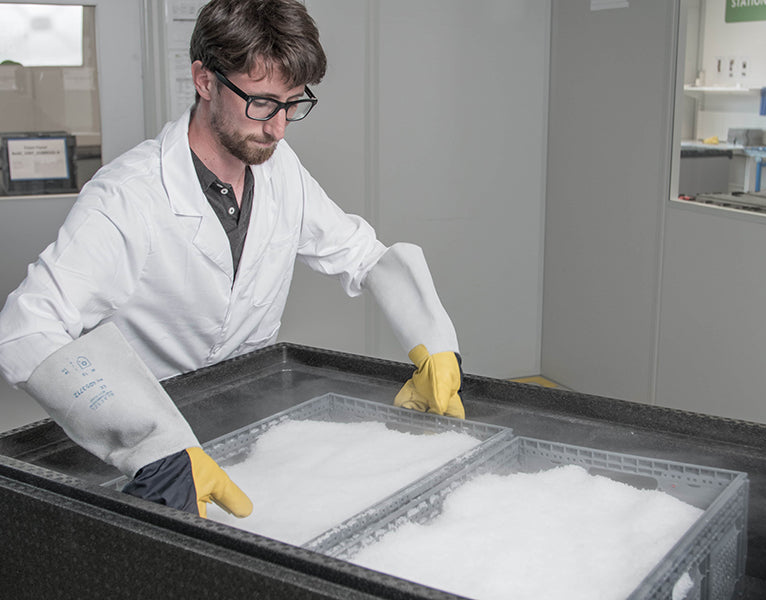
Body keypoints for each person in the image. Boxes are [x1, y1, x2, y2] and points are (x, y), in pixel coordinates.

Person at [0, 0, 463, 519]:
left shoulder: (280, 170)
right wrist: (153, 447)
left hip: (255, 425)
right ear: (205, 80)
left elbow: (360, 254)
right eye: (262, 103)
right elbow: (24, 329)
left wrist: (434, 342)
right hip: (155, 448)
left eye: (292, 103)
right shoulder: (128, 197)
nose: (278, 128)